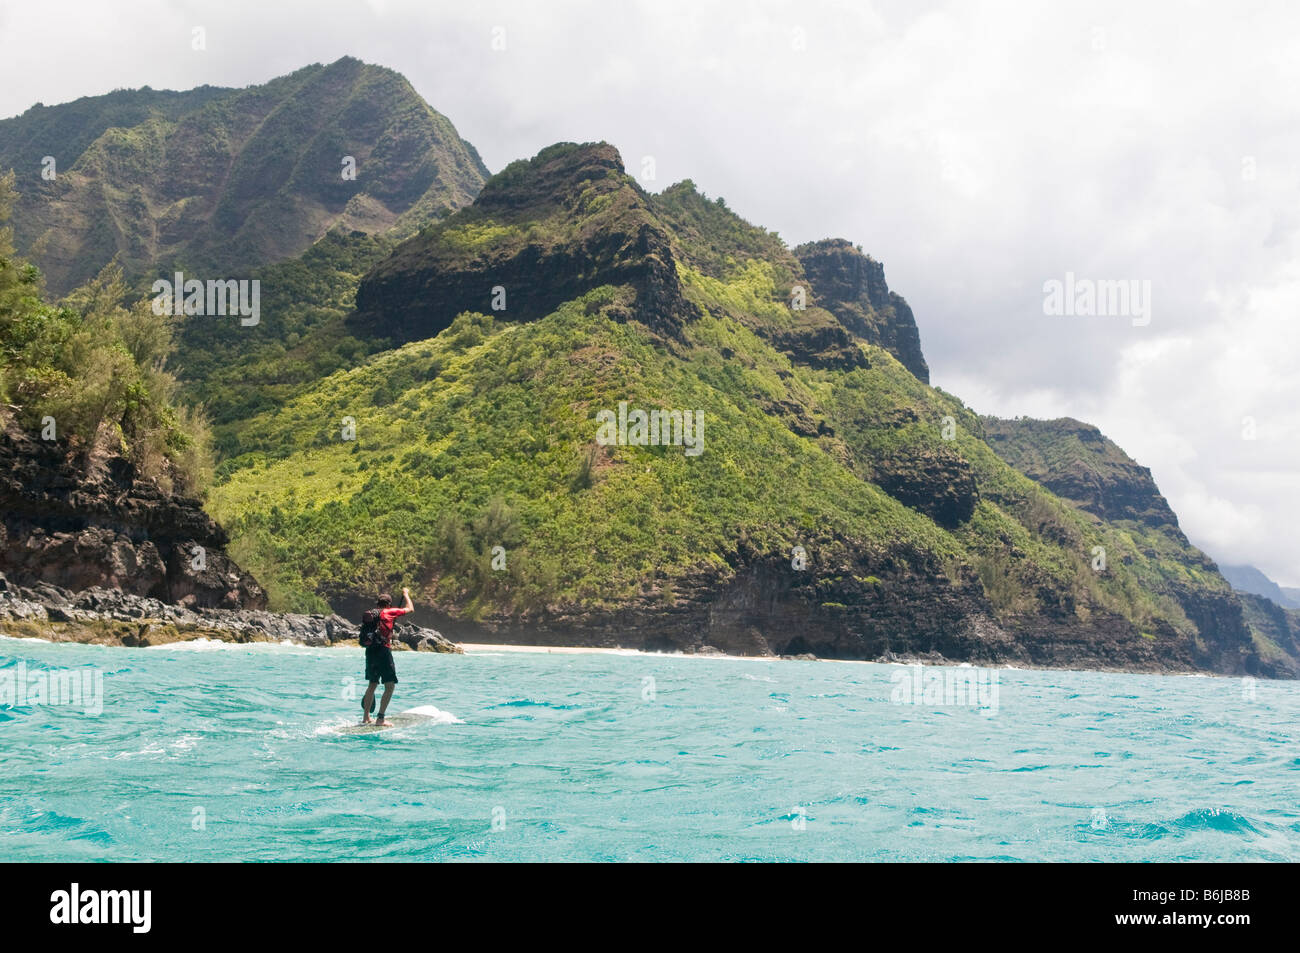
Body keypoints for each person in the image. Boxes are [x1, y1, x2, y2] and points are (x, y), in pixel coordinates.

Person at [360, 587, 414, 725]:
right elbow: (410, 609)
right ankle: (380, 718)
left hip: (370, 651)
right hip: (383, 651)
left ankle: (366, 718)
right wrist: (406, 594)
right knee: (389, 686)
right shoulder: (390, 612)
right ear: (388, 604)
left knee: (372, 684)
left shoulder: (372, 614)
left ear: (377, 604)